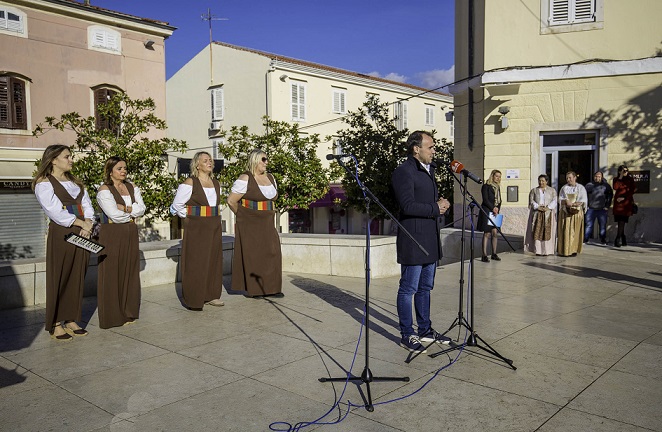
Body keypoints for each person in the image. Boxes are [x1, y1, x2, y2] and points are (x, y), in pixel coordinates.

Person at [391, 131, 451, 354]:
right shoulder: (403, 172)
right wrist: (436, 208)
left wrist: (440, 204)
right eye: (430, 147)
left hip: (430, 237)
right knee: (409, 288)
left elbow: (424, 201)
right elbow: (407, 206)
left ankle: (425, 330)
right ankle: (407, 334)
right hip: (413, 239)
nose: (434, 151)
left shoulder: (429, 170)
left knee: (425, 288)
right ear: (416, 149)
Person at [33, 144, 95, 340]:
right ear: (53, 160)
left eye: (71, 156)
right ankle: (55, 323)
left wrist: (89, 224)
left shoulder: (76, 183)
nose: (71, 160)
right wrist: (80, 223)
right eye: (67, 157)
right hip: (63, 232)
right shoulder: (44, 184)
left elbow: (88, 206)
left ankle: (71, 318)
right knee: (59, 275)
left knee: (77, 275)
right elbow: (54, 212)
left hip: (83, 231)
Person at [96, 157, 146, 328]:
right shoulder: (105, 190)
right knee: (112, 272)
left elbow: (142, 209)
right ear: (110, 171)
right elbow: (113, 215)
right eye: (119, 168)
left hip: (130, 231)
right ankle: (112, 316)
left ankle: (128, 311)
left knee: (129, 271)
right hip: (111, 233)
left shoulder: (132, 187)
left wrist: (125, 208)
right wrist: (131, 211)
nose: (123, 171)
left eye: (125, 167)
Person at [170, 151, 224, 310]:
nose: (210, 162)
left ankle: (211, 295)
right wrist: (191, 217)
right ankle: (194, 298)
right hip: (196, 226)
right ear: (197, 164)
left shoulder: (216, 183)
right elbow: (176, 206)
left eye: (211, 160)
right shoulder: (190, 182)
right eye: (206, 160)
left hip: (214, 224)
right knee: (197, 261)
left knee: (213, 260)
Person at [227, 149, 283, 298]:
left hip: (268, 222)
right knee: (254, 254)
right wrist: (244, 216)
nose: (266, 162)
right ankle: (256, 290)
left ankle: (273, 287)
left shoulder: (271, 178)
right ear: (255, 160)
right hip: (250, 223)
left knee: (273, 252)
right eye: (264, 159)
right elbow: (231, 201)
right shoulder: (245, 178)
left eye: (267, 159)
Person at [524, 174, 557, 256]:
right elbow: (531, 201)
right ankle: (538, 250)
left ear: (547, 181)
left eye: (543, 181)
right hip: (537, 213)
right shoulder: (534, 190)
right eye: (539, 180)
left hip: (548, 213)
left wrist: (548, 207)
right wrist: (538, 207)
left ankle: (547, 250)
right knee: (537, 231)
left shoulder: (552, 190)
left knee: (547, 231)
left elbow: (555, 200)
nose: (541, 182)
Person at [557, 171, 588, 257]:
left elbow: (583, 200)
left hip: (576, 213)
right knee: (565, 230)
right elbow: (560, 199)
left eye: (570, 178)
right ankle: (564, 250)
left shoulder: (580, 188)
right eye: (567, 178)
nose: (568, 180)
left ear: (575, 178)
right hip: (566, 212)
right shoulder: (564, 188)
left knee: (574, 231)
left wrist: (574, 204)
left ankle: (573, 250)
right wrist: (565, 201)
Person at [477, 169, 502, 262]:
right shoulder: (486, 186)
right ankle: (484, 255)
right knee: (487, 233)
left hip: (495, 212)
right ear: (492, 176)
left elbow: (499, 200)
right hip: (487, 211)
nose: (498, 178)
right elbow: (486, 200)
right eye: (496, 176)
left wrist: (497, 208)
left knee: (495, 233)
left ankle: (494, 253)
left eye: (499, 177)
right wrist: (493, 208)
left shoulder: (498, 187)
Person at [584, 171, 613, 245]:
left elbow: (610, 196)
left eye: (599, 176)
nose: (597, 178)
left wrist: (607, 206)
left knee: (602, 226)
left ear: (602, 177)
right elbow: (584, 195)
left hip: (602, 209)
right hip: (591, 208)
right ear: (594, 177)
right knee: (589, 225)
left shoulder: (606, 186)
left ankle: (603, 239)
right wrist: (585, 205)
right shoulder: (589, 185)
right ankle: (586, 239)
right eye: (596, 176)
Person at [612, 165, 637, 247]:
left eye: (626, 171)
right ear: (619, 171)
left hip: (626, 203)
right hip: (618, 204)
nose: (625, 172)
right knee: (620, 221)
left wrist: (624, 198)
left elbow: (633, 190)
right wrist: (620, 177)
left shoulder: (630, 179)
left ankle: (617, 238)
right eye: (623, 171)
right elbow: (615, 187)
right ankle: (623, 238)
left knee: (622, 221)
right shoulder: (616, 179)